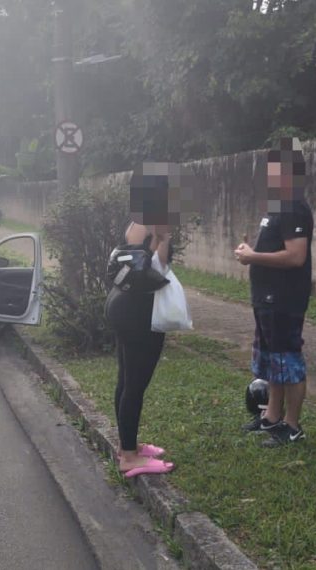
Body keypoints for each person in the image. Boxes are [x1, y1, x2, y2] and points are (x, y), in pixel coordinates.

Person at [106, 164, 192, 478]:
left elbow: (151, 263)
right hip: (138, 313)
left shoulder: (138, 222)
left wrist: (163, 235)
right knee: (135, 384)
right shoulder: (148, 224)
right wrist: (163, 235)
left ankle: (127, 445)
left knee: (126, 380)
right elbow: (158, 268)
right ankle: (129, 457)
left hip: (124, 307)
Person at [235, 137, 314, 447]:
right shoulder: (279, 206)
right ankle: (271, 417)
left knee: (288, 362)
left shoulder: (294, 206)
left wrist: (253, 256)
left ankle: (292, 427)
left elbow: (296, 256)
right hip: (266, 299)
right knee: (272, 363)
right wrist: (251, 252)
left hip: (284, 300)